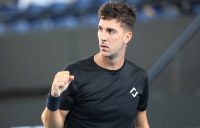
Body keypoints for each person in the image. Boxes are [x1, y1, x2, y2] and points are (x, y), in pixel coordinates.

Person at [41, 1, 150, 128]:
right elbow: (50, 126)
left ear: (127, 37)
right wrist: (54, 96)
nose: (103, 37)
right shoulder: (75, 73)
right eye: (100, 29)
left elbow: (142, 124)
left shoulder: (139, 77)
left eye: (110, 31)